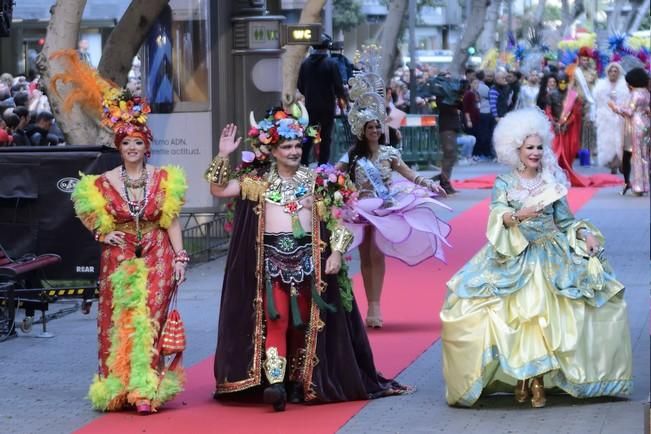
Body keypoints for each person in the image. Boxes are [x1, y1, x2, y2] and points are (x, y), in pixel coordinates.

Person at [207, 104, 410, 412]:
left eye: (296, 146)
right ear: (272, 150)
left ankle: (298, 381)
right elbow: (218, 188)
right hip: (270, 263)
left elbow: (342, 221)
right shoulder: (256, 181)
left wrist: (338, 253)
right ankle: (275, 385)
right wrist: (223, 153)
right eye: (285, 146)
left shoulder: (320, 181)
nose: (293, 151)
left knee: (306, 325)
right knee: (277, 320)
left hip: (310, 264)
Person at [440, 107, 633, 408]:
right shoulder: (504, 182)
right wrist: (518, 215)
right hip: (514, 253)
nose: (535, 152)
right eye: (529, 147)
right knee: (506, 314)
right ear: (516, 148)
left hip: (551, 253)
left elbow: (567, 221)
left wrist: (586, 235)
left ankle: (539, 381)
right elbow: (496, 216)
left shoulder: (552, 182)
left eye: (539, 146)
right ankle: (521, 379)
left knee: (552, 314)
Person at [52, 50, 188, 414]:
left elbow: (170, 219)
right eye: (126, 143)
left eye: (138, 143)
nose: (131, 148)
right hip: (120, 255)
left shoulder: (164, 178)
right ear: (119, 147)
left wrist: (180, 257)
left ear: (147, 146)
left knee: (151, 321)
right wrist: (102, 233)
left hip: (158, 253)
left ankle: (145, 389)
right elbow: (84, 208)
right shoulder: (102, 182)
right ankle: (118, 386)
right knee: (120, 319)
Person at [335, 75, 450, 327]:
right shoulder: (352, 156)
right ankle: (370, 305)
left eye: (377, 126)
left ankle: (375, 308)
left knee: (377, 254)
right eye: (370, 127)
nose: (375, 131)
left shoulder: (390, 153)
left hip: (386, 209)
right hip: (360, 211)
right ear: (362, 131)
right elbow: (333, 174)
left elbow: (410, 174)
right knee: (366, 257)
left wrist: (431, 183)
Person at [297, 33, 347, 165]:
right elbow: (338, 87)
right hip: (327, 108)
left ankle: (303, 162)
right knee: (325, 137)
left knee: (310, 134)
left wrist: (309, 94)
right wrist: (342, 98)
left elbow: (300, 86)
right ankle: (323, 166)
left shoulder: (305, 64)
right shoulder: (331, 64)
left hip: (311, 108)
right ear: (328, 46)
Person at [609, 67, 650, 196]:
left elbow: (629, 111)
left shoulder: (635, 94)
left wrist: (615, 107)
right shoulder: (646, 93)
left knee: (636, 156)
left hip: (636, 125)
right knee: (645, 156)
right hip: (646, 124)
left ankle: (638, 186)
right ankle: (645, 184)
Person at [552, 66, 588, 187]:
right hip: (555, 129)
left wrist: (566, 124)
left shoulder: (574, 96)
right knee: (554, 153)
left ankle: (567, 174)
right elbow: (547, 112)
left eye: (564, 82)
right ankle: (554, 175)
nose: (562, 84)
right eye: (560, 82)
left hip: (568, 128)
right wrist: (555, 124)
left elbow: (576, 113)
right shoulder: (551, 95)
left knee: (568, 152)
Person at [594, 62, 629, 173]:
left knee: (620, 141)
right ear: (607, 72)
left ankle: (620, 163)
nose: (613, 73)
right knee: (607, 141)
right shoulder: (601, 86)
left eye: (615, 71)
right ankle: (611, 164)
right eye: (611, 71)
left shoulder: (624, 86)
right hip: (606, 118)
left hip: (620, 117)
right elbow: (599, 101)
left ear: (618, 72)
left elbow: (627, 101)